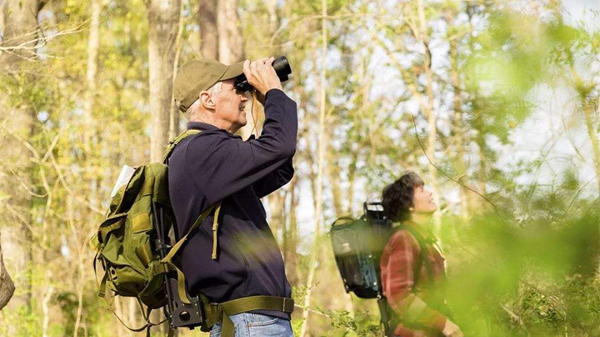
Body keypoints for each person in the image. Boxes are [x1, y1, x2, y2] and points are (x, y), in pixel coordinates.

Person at [168, 57, 297, 337]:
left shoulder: (207, 153)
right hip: (249, 321)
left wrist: (265, 99)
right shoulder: (201, 150)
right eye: (237, 87)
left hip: (251, 321)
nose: (244, 95)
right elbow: (279, 147)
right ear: (207, 99)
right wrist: (274, 93)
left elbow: (278, 168)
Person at [380, 172, 463, 337]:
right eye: (422, 190)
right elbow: (399, 295)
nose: (430, 193)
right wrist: (443, 323)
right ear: (409, 205)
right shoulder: (403, 239)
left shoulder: (424, 240)